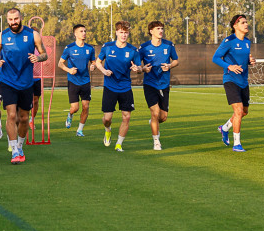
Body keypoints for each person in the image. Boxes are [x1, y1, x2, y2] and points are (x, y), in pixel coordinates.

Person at [0, 8, 47, 164]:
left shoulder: (33, 35)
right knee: (11, 116)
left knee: (23, 118)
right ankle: (14, 151)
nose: (13, 22)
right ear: (7, 20)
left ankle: (20, 146)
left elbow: (44, 54)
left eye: (16, 19)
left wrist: (38, 58)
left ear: (21, 18)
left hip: (26, 82)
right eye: (10, 20)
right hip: (8, 81)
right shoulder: (1, 36)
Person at [95, 21, 142, 152]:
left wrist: (137, 69)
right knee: (107, 119)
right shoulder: (107, 46)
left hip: (125, 87)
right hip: (110, 87)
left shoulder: (133, 50)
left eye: (126, 32)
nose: (123, 35)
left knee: (126, 117)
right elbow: (98, 62)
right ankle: (107, 130)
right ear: (116, 32)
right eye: (121, 32)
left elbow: (139, 68)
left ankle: (119, 144)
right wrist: (104, 71)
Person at [213, 14, 255, 152]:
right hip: (230, 80)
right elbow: (215, 58)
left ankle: (224, 128)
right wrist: (229, 66)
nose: (246, 24)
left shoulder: (247, 42)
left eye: (246, 22)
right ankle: (237, 144)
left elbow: (245, 59)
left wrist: (250, 61)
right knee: (238, 111)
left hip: (243, 81)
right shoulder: (228, 41)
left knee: (244, 112)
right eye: (242, 22)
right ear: (235, 26)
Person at [139, 21, 179, 151]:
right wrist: (143, 69)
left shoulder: (169, 45)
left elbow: (176, 61)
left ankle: (153, 122)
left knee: (163, 117)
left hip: (164, 84)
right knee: (155, 112)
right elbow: (138, 66)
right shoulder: (144, 47)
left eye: (162, 28)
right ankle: (156, 142)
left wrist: (170, 65)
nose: (160, 31)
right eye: (158, 29)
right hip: (150, 84)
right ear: (151, 31)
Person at [58, 23, 95, 137]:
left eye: (85, 31)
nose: (84, 33)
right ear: (75, 34)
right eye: (81, 31)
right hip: (73, 81)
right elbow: (60, 63)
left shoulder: (90, 48)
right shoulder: (69, 48)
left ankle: (80, 130)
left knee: (86, 106)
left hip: (85, 81)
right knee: (75, 108)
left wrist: (93, 66)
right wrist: (69, 70)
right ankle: (70, 115)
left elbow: (93, 62)